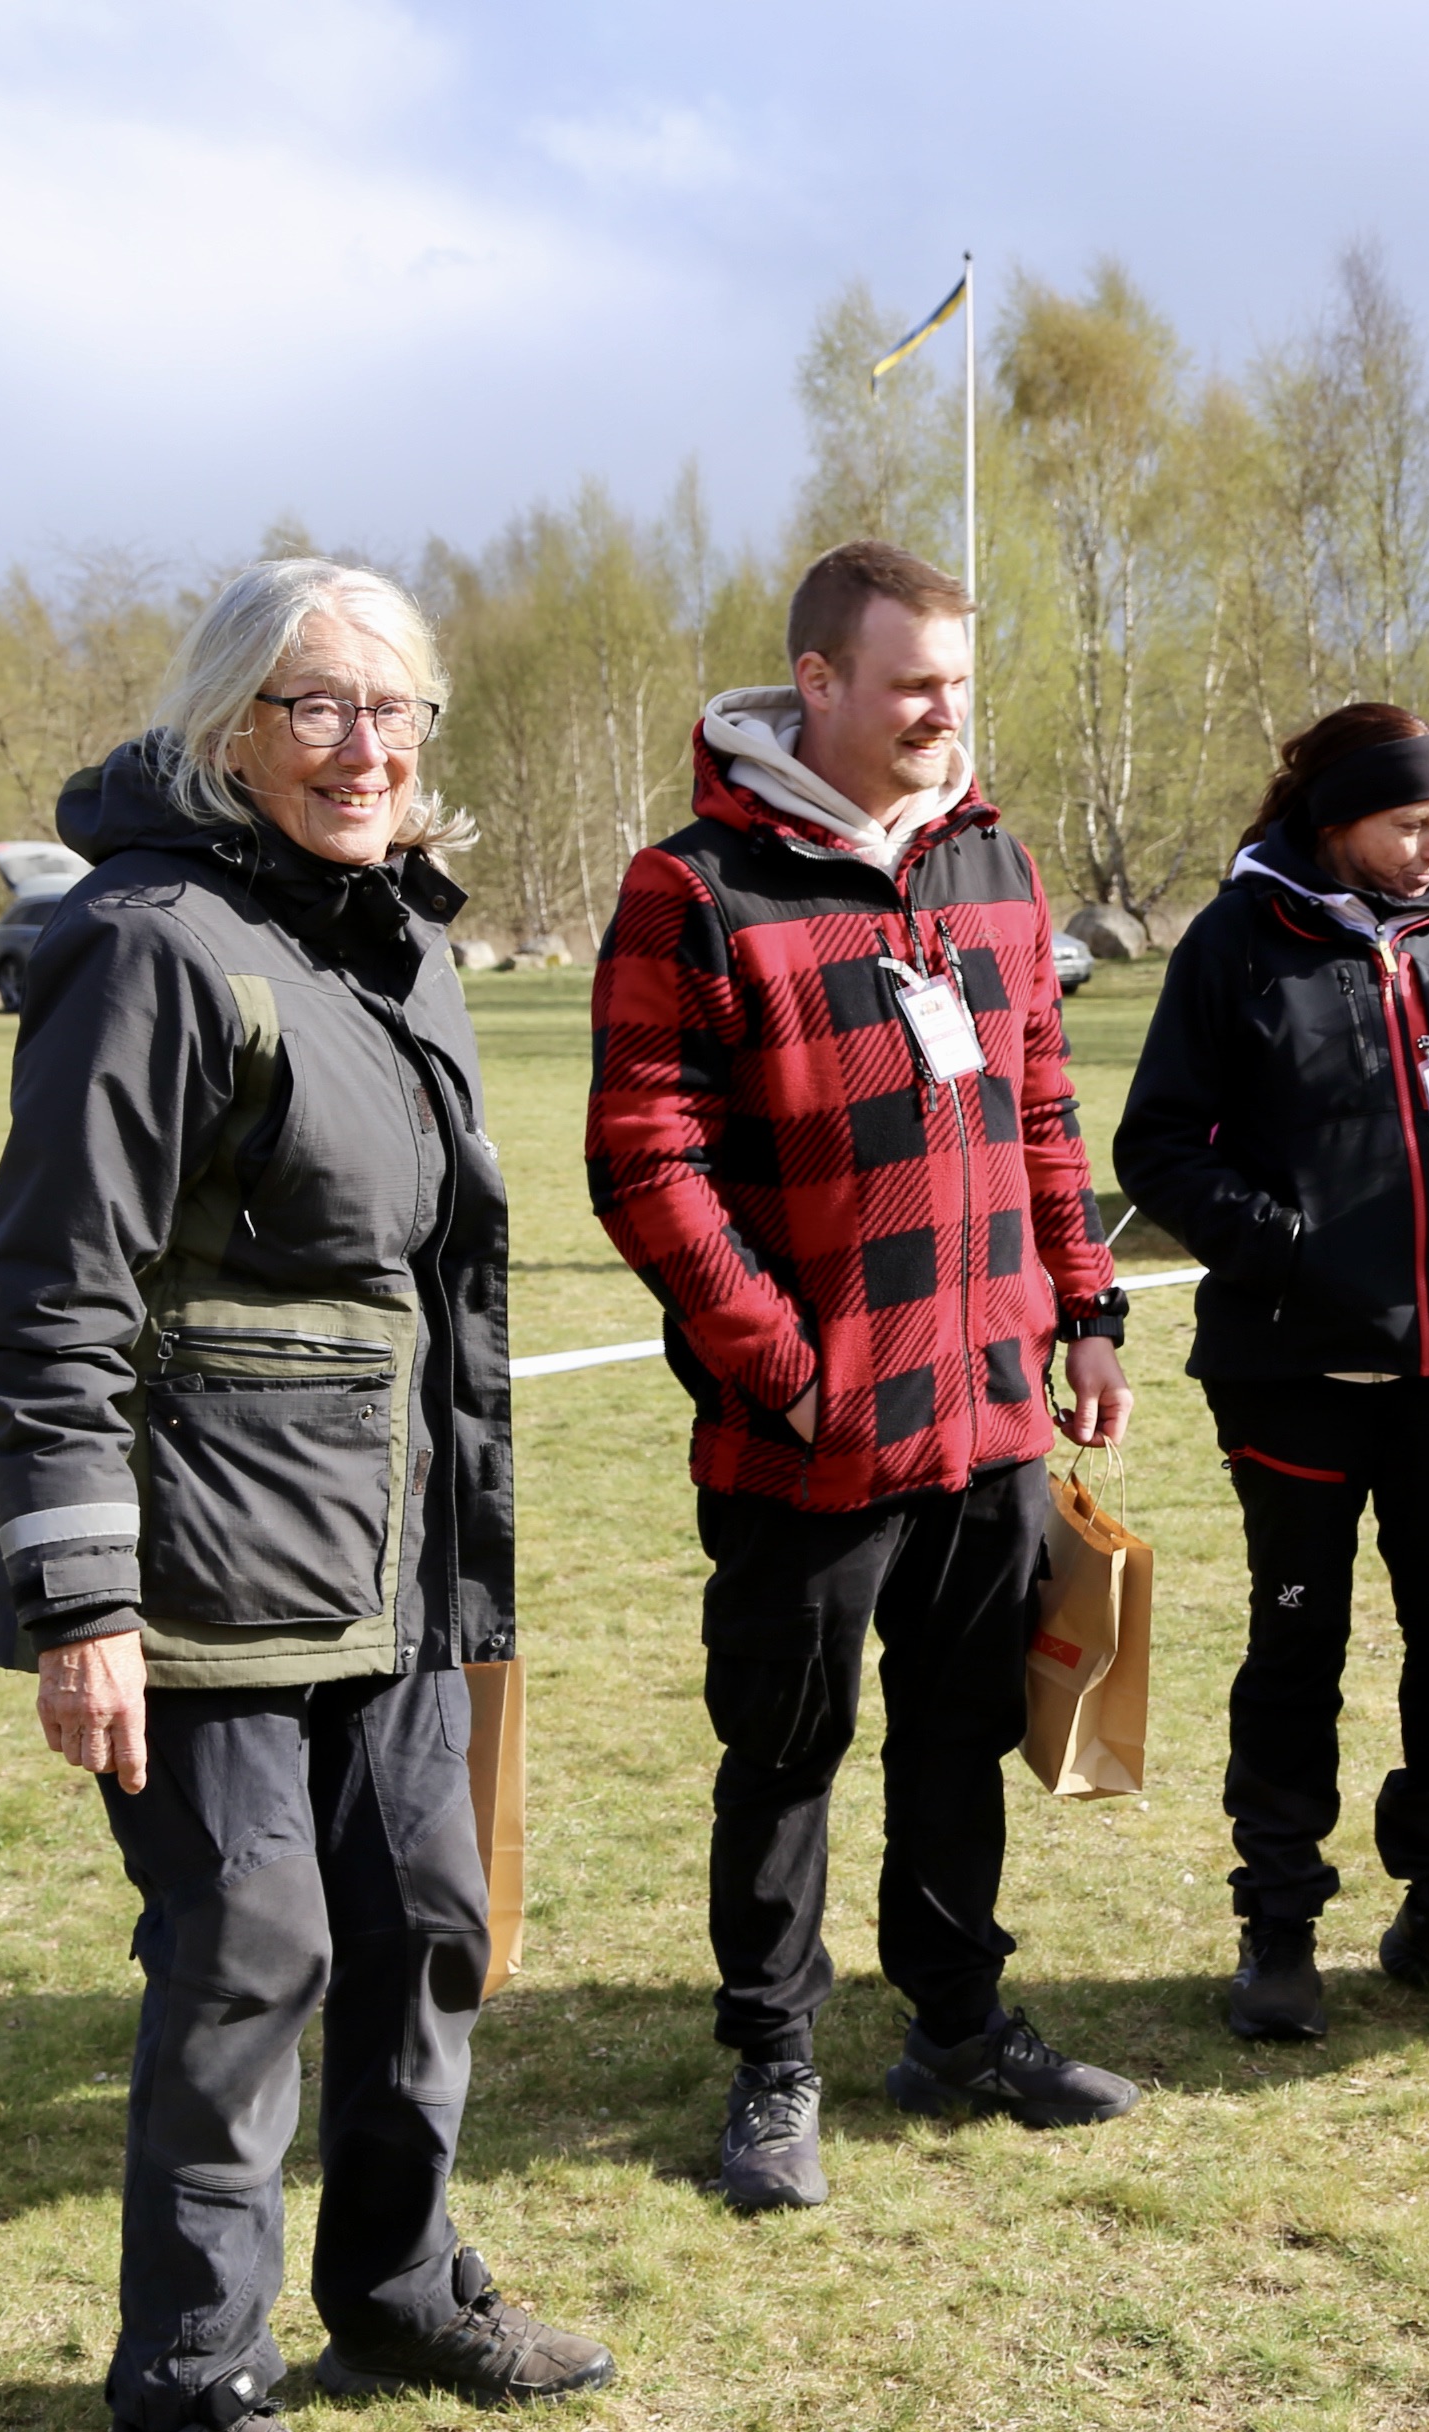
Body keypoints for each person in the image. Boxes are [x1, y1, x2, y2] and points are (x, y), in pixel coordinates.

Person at [0, 560, 614, 2426]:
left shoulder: (391, 936)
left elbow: (424, 1289)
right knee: (252, 1958)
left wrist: (463, 1560)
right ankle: (194, 2370)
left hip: (392, 1562)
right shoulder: (150, 944)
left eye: (394, 707)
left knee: (425, 1928)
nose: (362, 746)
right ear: (225, 726)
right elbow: (51, 1302)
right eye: (315, 705)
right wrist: (83, 1606)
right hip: (206, 1576)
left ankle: (398, 2294)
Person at [588, 540, 1140, 2216]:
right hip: (810, 1434)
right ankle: (773, 2058)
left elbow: (1043, 1102)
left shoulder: (992, 861)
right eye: (911, 684)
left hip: (987, 1412)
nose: (941, 714)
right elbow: (644, 1160)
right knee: (786, 1750)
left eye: (958, 684)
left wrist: (1085, 1305)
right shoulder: (693, 890)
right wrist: (782, 1363)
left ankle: (957, 2026)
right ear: (817, 681)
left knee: (960, 1733)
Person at [1114, 703, 1429, 2041]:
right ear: (1335, 824)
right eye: (1409, 823)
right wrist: (1288, 1246)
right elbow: (1157, 1147)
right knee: (1296, 1642)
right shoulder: (1235, 943)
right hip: (1290, 1367)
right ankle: (1279, 1922)